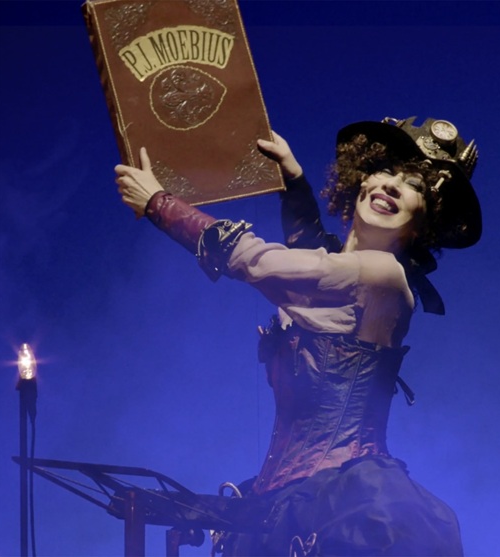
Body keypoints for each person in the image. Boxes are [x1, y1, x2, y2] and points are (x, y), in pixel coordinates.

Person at [114, 115, 481, 556]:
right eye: (385, 171)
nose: (392, 186)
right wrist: (292, 178)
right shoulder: (339, 274)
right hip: (280, 502)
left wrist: (160, 204)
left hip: (350, 507)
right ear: (360, 180)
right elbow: (314, 250)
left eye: (413, 186)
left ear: (423, 223)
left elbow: (261, 263)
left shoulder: (383, 275)